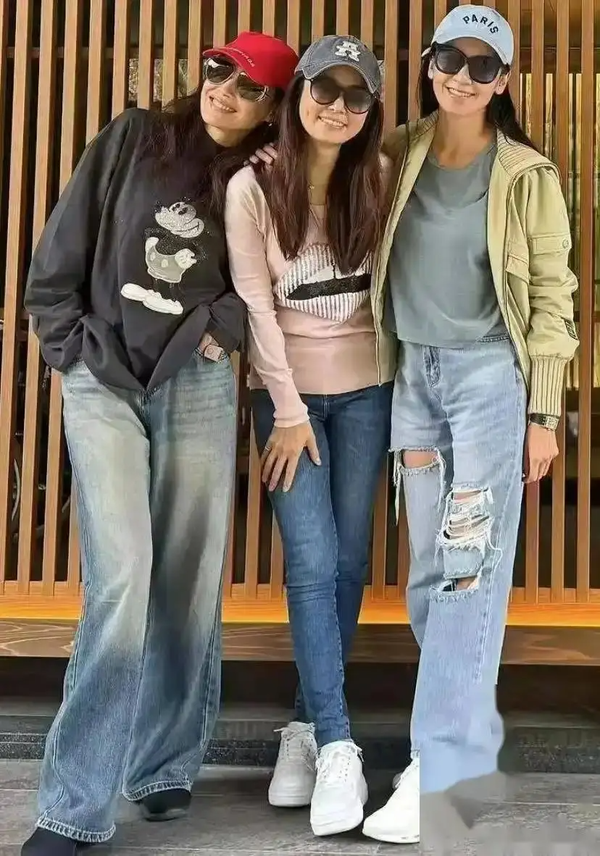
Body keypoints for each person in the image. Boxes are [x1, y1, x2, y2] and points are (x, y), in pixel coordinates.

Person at [22, 31, 299, 856]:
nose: (226, 91)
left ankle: (165, 765)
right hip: (103, 377)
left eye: (249, 88)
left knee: (187, 577)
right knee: (123, 579)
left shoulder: (265, 177)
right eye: (219, 71)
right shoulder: (135, 137)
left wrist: (224, 324)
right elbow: (64, 244)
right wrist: (67, 342)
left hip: (197, 384)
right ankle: (73, 805)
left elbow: (279, 281)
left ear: (272, 109)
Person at [361, 6, 579, 846]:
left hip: (490, 382)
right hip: (413, 378)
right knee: (431, 571)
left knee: (466, 570)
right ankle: (462, 742)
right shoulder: (396, 152)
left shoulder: (527, 174)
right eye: (449, 58)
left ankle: (443, 765)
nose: (461, 75)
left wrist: (543, 412)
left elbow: (553, 295)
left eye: (482, 65)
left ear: (503, 81)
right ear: (428, 63)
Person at [224, 35, 393, 837]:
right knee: (313, 562)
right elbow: (256, 306)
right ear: (297, 96)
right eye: (325, 89)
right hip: (287, 403)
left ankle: (302, 725)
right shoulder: (252, 186)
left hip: (368, 392)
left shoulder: (382, 176)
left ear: (371, 112)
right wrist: (287, 409)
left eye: (356, 97)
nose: (338, 107)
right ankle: (336, 744)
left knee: (351, 562)